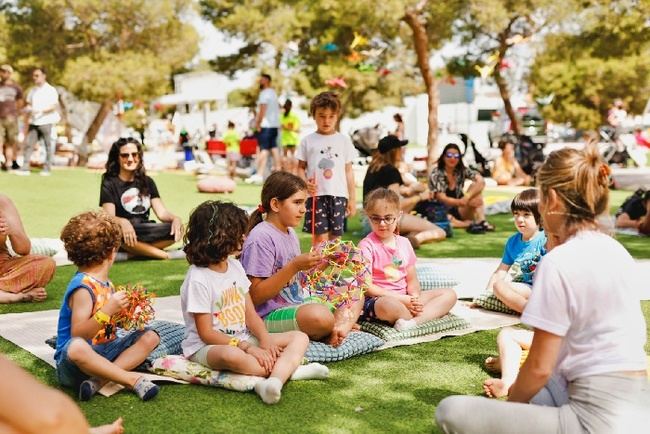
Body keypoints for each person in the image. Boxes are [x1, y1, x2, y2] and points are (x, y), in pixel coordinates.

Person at [436, 146, 650, 433]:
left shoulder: (558, 261)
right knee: (540, 393)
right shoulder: (617, 251)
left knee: (449, 410)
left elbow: (539, 366)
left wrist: (510, 411)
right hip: (637, 406)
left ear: (551, 199)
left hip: (594, 420)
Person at [181, 200, 329, 405]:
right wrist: (247, 347)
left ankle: (274, 381)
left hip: (243, 337)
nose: (244, 236)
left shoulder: (234, 266)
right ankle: (290, 371)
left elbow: (250, 314)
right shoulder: (198, 278)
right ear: (219, 236)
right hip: (207, 346)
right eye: (238, 232)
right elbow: (206, 334)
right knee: (230, 356)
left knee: (299, 338)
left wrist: (264, 339)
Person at [240, 171, 363, 347]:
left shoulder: (289, 233)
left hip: (297, 303)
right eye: (297, 202)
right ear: (275, 204)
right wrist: (294, 266)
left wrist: (324, 262)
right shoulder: (261, 238)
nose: (304, 209)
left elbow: (298, 283)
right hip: (267, 316)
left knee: (355, 289)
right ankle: (337, 325)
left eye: (304, 202)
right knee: (318, 316)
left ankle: (334, 325)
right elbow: (255, 296)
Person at [55, 211, 161, 402]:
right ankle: (130, 379)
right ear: (112, 251)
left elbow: (109, 327)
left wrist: (125, 315)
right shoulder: (83, 287)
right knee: (77, 347)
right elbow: (78, 334)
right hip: (76, 364)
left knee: (150, 336)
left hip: (105, 352)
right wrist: (108, 310)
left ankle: (100, 381)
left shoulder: (106, 284)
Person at [359, 188, 457, 330]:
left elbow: (412, 280)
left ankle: (412, 322)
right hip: (379, 301)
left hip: (405, 298)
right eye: (376, 218)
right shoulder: (366, 246)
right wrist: (402, 300)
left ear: (398, 216)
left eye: (388, 218)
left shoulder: (404, 243)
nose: (382, 223)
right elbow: (367, 287)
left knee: (449, 294)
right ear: (369, 217)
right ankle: (419, 316)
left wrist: (415, 298)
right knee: (388, 305)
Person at [100, 137, 183, 260]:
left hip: (145, 230)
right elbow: (109, 216)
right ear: (117, 158)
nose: (130, 159)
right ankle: (163, 255)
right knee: (115, 232)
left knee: (178, 228)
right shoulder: (109, 182)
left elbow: (162, 213)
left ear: (139, 157)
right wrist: (123, 222)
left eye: (134, 154)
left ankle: (134, 252)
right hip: (123, 232)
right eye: (124, 155)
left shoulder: (148, 181)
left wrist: (175, 218)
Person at [363, 135, 446, 248]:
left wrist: (412, 189)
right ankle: (413, 242)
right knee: (440, 231)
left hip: (370, 222)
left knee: (416, 229)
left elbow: (398, 188)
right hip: (387, 220)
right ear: (394, 151)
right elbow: (397, 205)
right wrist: (421, 196)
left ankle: (401, 241)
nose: (402, 151)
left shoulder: (374, 168)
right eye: (400, 148)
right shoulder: (391, 171)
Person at [296, 91, 356, 243]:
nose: (326, 120)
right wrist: (304, 183)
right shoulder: (307, 141)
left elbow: (349, 172)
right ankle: (317, 267)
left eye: (331, 116)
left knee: (336, 239)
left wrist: (352, 199)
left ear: (337, 116)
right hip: (316, 196)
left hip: (339, 195)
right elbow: (300, 167)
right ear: (314, 115)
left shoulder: (344, 141)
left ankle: (335, 266)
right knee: (319, 238)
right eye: (322, 116)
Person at [484, 188, 546, 313]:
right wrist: (484, 296)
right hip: (527, 288)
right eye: (516, 214)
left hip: (545, 289)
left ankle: (532, 312)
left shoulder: (546, 238)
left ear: (539, 216)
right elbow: (500, 272)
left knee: (500, 288)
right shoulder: (513, 242)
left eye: (526, 215)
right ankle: (530, 309)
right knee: (498, 287)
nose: (519, 219)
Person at [0, 193, 55, 303]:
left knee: (45, 263)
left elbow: (23, 249)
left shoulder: (3, 202)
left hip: (4, 267)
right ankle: (14, 296)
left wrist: (10, 230)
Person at [429, 143, 494, 233]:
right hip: (442, 210)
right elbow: (441, 197)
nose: (453, 158)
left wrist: (467, 197)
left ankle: (482, 221)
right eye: (449, 155)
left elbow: (481, 181)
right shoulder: (436, 173)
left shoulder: (461, 170)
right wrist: (460, 202)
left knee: (476, 192)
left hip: (460, 208)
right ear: (443, 157)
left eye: (456, 156)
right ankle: (469, 223)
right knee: (444, 218)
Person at [16, 67, 60, 176]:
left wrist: (40, 111)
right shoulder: (33, 90)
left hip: (46, 121)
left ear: (44, 76)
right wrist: (27, 110)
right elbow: (29, 104)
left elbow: (53, 106)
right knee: (29, 145)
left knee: (47, 146)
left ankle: (47, 169)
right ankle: (25, 168)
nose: (34, 78)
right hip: (34, 122)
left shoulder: (50, 90)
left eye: (37, 75)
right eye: (34, 76)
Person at [248, 74, 281, 184]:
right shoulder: (273, 93)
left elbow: (262, 109)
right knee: (274, 148)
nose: (260, 81)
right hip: (274, 125)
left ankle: (259, 174)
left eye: (262, 79)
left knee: (264, 149)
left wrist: (257, 123)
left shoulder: (264, 93)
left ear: (267, 80)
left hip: (266, 125)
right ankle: (279, 171)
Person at [0, 64, 24, 171]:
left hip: (11, 118)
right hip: (0, 118)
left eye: (5, 71)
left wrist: (15, 113)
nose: (2, 74)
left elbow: (20, 102)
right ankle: (3, 161)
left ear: (10, 74)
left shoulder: (16, 88)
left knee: (10, 142)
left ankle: (9, 163)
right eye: (1, 71)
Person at [280, 99, 300, 174]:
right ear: (291, 106)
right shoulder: (294, 116)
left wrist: (286, 128)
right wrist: (291, 129)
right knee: (293, 156)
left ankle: (285, 172)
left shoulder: (282, 115)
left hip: (285, 138)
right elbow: (297, 128)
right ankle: (294, 173)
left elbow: (282, 127)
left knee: (285, 156)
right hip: (293, 138)